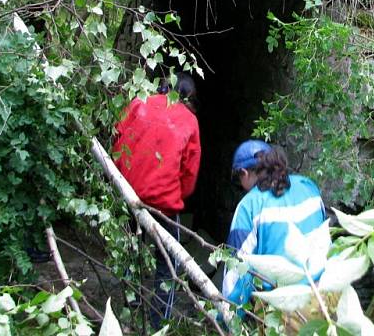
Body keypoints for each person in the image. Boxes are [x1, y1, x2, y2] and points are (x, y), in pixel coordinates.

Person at [112, 73, 201, 329]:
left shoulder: (139, 103)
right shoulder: (190, 121)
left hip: (128, 194)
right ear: (190, 96)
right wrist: (175, 195)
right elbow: (189, 171)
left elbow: (116, 138)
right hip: (164, 205)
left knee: (128, 256)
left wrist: (122, 177)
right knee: (167, 267)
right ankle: (157, 325)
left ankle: (124, 314)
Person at [223, 140, 327, 307]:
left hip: (285, 306)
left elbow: (237, 273)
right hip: (326, 293)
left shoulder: (249, 206)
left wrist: (226, 318)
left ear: (244, 173)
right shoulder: (308, 187)